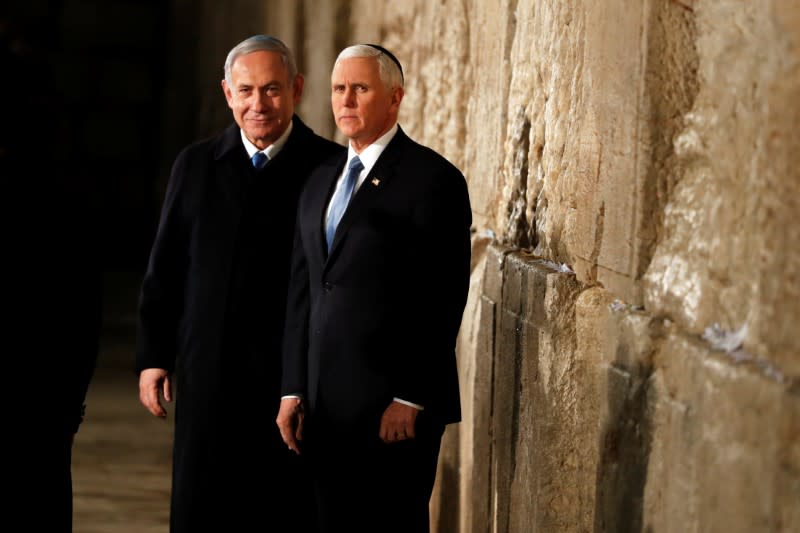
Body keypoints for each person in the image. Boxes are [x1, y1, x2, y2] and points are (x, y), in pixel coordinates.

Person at [135, 34, 343, 532]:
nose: (258, 104)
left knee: (282, 508)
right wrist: (154, 356)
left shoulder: (330, 168)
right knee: (203, 504)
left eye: (272, 90)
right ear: (227, 93)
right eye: (246, 91)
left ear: (296, 88)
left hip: (291, 376)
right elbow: (165, 268)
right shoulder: (196, 165)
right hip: (207, 370)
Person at [276, 44, 472, 533]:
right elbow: (304, 290)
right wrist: (293, 387)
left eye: (360, 89)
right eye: (339, 89)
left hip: (393, 408)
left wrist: (411, 395)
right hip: (324, 407)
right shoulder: (320, 180)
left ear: (395, 97)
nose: (346, 101)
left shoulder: (434, 180)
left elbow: (443, 296)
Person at [2, 7, 102, 531]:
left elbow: (79, 298)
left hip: (36, 389)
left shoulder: (56, 192)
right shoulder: (63, 188)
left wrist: (68, 401)